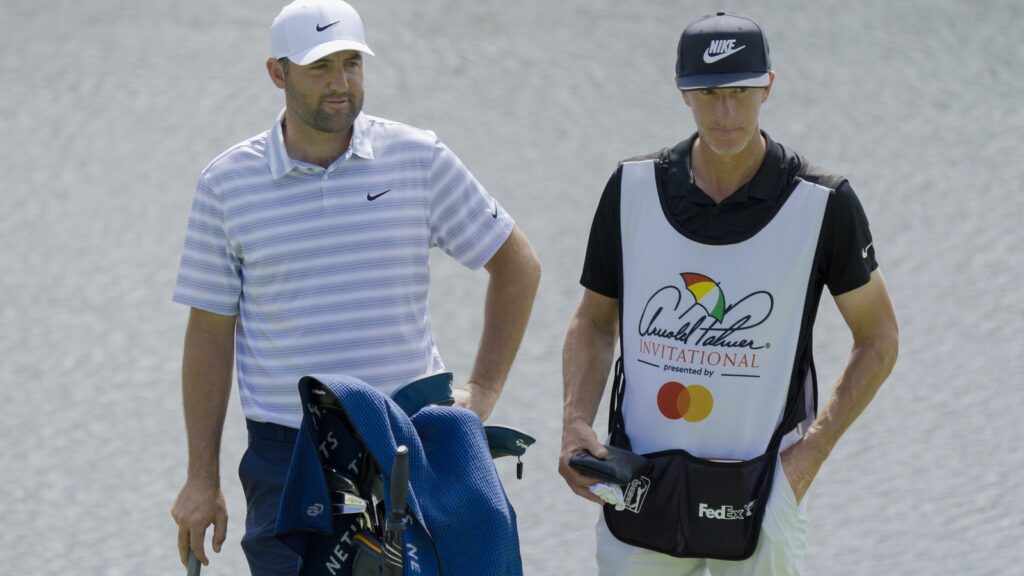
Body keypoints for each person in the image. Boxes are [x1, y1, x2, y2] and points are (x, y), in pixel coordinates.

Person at [169, 1, 541, 573]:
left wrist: (482, 393)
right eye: (320, 68)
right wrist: (202, 478)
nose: (340, 84)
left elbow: (517, 266)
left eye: (351, 63)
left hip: (404, 449)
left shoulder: (416, 157)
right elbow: (209, 337)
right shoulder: (227, 185)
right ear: (278, 73)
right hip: (287, 458)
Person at [558, 11, 898, 576]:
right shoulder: (631, 189)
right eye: (709, 92)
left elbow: (880, 339)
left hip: (764, 492)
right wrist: (574, 422)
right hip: (641, 489)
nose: (726, 113)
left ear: (768, 85)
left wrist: (806, 461)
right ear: (682, 91)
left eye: (741, 92)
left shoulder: (823, 203)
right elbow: (594, 321)